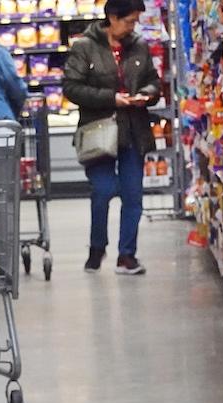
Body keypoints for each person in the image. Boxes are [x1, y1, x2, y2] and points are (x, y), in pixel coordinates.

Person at [62, 0, 159, 275]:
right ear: (112, 18)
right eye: (129, 21)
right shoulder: (84, 46)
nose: (133, 26)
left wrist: (147, 95)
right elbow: (71, 87)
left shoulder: (139, 44)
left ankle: (127, 255)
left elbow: (153, 79)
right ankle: (97, 246)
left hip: (133, 130)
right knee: (103, 189)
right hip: (98, 131)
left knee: (133, 195)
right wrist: (111, 99)